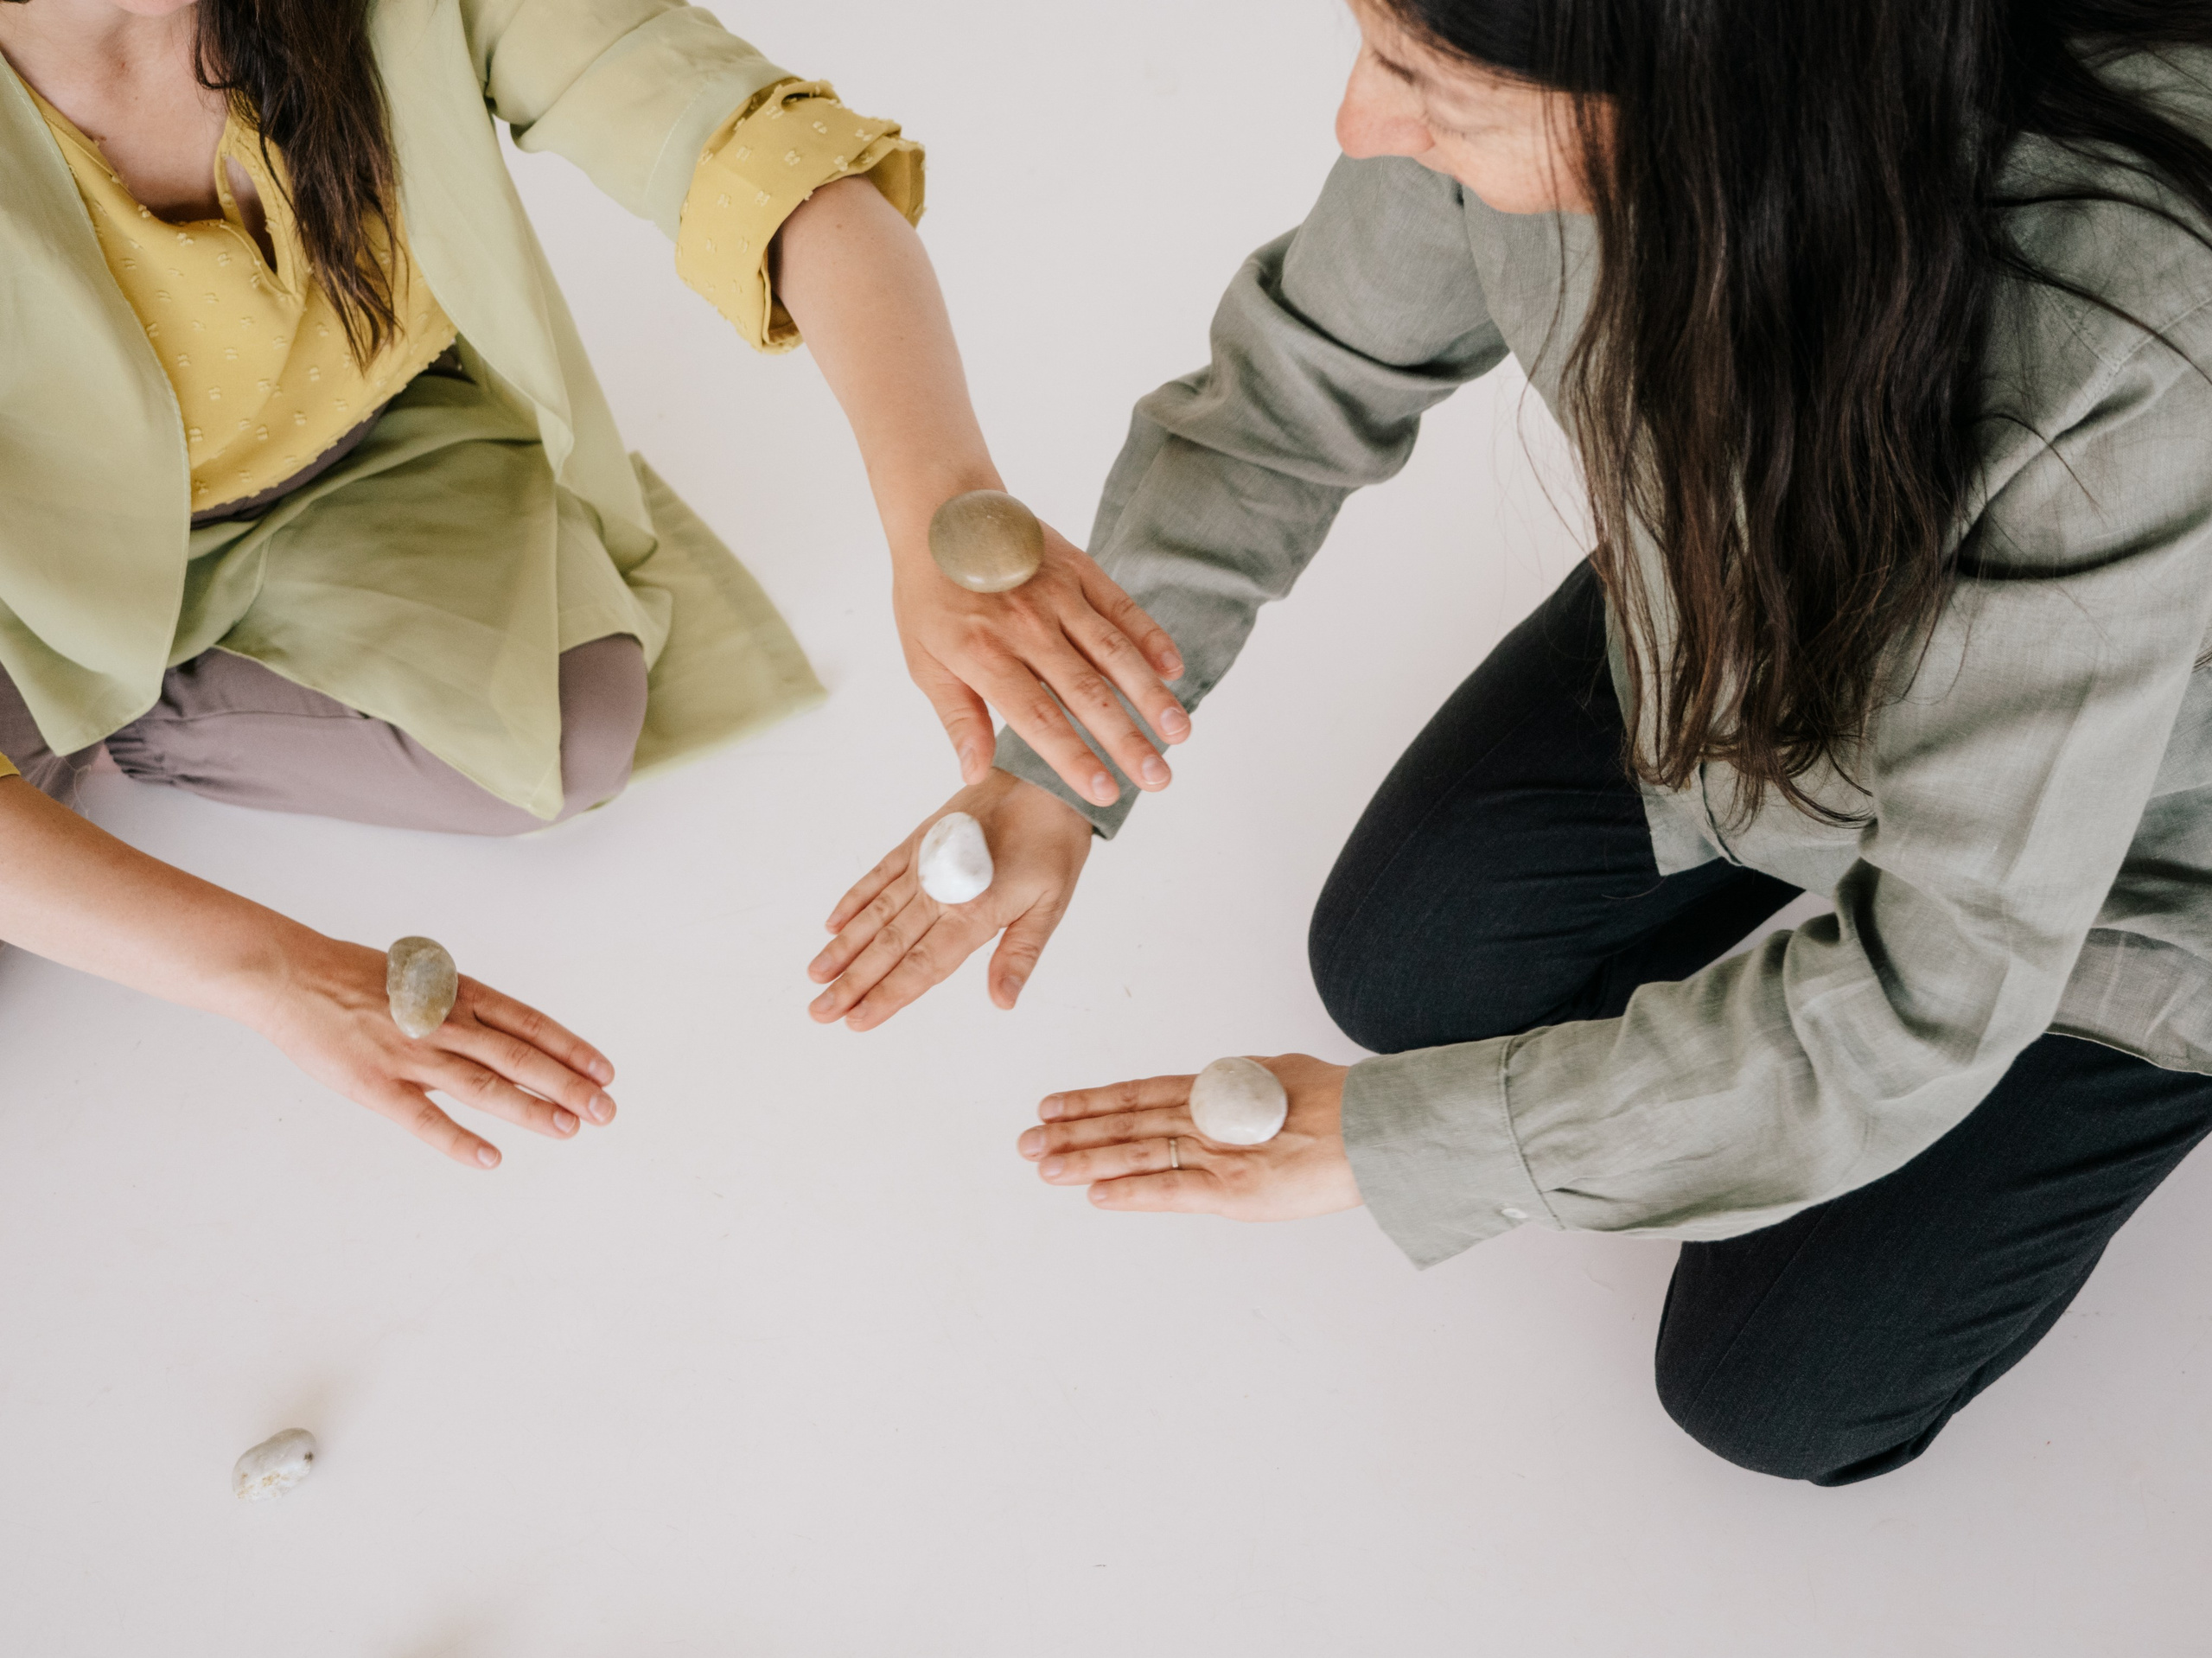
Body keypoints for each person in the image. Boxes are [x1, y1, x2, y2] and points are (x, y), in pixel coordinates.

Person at [815, 0, 2212, 1483]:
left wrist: (1401, 1147)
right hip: (1746, 640)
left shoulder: (2122, 331)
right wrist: (1059, 759)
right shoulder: (1549, 50)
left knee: (1769, 1388)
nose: (1360, 125)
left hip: (2126, 847)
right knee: (1403, 968)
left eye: (1430, 83)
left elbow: (1932, 983)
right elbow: (1287, 398)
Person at [0, 0, 1181, 1169]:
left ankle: (109, 721)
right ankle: (53, 710)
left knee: (570, 728)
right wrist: (278, 974)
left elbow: (766, 158)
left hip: (362, 464)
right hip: (27, 571)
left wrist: (942, 510)